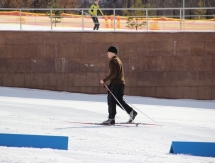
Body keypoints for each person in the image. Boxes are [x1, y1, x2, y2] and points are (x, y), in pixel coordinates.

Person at [100, 46, 138, 125]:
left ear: (112, 53)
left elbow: (113, 74)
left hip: (115, 84)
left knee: (111, 100)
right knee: (119, 100)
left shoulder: (113, 61)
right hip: (121, 83)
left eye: (108, 52)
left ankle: (111, 119)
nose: (107, 53)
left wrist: (104, 80)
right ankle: (131, 112)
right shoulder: (119, 60)